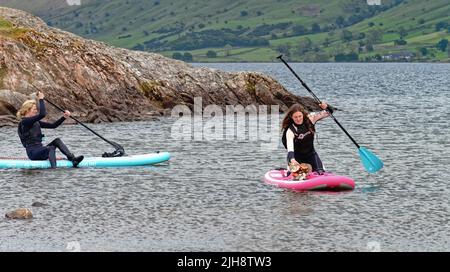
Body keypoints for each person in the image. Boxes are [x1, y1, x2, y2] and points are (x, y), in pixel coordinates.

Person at [16, 91, 84, 168]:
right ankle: (54, 169)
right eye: (34, 109)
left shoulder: (35, 122)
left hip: (40, 150)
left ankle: (73, 159)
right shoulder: (25, 122)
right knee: (50, 148)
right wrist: (41, 99)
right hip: (33, 153)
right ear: (27, 110)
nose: (36, 111)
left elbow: (53, 126)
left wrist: (64, 117)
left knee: (57, 141)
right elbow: (42, 114)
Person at [281, 103, 332, 174]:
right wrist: (292, 160)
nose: (298, 119)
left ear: (303, 114)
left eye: (300, 116)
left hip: (311, 155)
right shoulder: (290, 130)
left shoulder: (311, 119)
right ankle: (288, 172)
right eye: (295, 117)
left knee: (321, 172)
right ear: (291, 117)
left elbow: (329, 112)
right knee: (296, 175)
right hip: (296, 157)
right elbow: (290, 149)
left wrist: (326, 107)